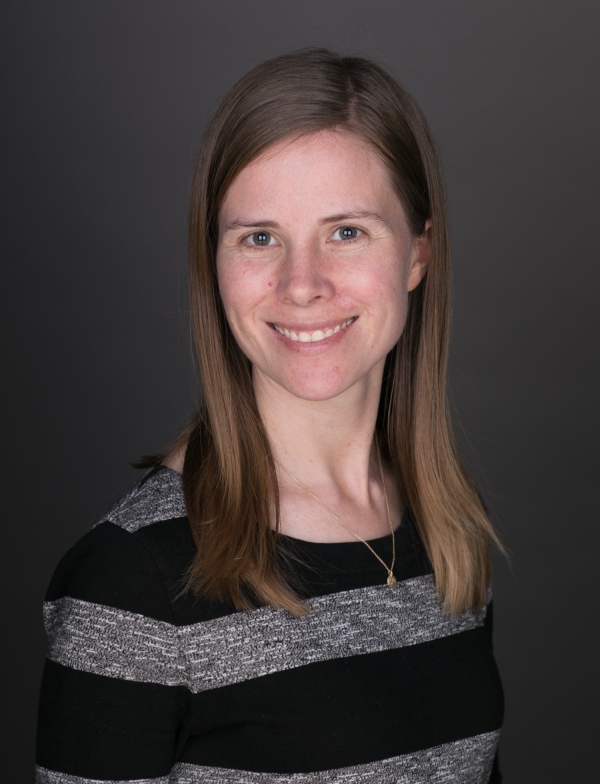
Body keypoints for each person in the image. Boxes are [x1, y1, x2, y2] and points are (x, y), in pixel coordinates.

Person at [36, 48, 504, 783]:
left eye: (346, 231)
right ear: (214, 264)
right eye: (260, 238)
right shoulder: (132, 578)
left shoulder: (446, 529)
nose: (302, 284)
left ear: (417, 253)